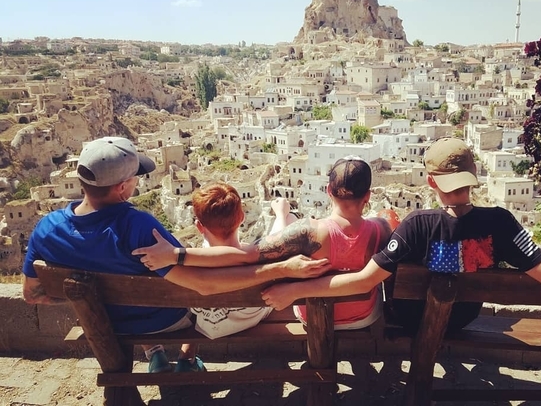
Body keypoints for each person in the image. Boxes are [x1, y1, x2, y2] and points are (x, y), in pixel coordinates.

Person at [22, 136, 330, 373]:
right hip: (166, 321)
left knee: (136, 288)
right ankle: (179, 355)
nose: (137, 181)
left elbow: (32, 295)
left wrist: (89, 299)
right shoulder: (139, 227)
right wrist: (276, 268)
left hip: (105, 322)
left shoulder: (46, 230)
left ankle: (153, 352)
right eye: (135, 178)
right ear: (122, 187)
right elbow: (204, 286)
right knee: (180, 297)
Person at [261, 137, 541, 335]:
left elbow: (363, 282)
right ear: (474, 177)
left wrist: (297, 289)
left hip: (412, 319)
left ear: (431, 183)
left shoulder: (417, 225)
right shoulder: (500, 223)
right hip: (462, 318)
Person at [134, 156, 394, 330]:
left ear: (328, 191)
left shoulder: (308, 232)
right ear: (368, 195)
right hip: (363, 317)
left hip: (313, 319)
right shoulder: (381, 228)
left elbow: (243, 255)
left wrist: (177, 255)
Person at [186, 182, 297, 341]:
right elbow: (277, 241)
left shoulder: (189, 264)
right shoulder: (259, 257)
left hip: (209, 326)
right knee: (289, 218)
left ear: (199, 226)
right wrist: (280, 214)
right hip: (251, 318)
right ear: (242, 218)